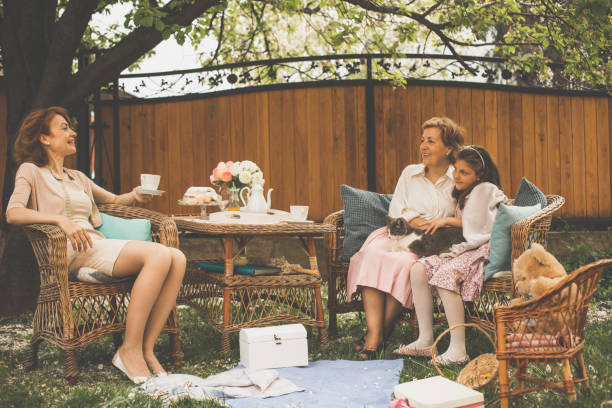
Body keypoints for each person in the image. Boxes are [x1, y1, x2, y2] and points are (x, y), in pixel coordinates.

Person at [5, 107, 186, 383]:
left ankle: (147, 350)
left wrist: (137, 197)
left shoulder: (77, 177)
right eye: (64, 127)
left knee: (178, 257)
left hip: (94, 245)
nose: (73, 132)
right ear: (44, 137)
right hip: (66, 250)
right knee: (160, 255)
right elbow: (13, 212)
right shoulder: (31, 171)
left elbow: (113, 200)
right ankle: (129, 350)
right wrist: (60, 221)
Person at [346, 117, 465, 359]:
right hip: (397, 232)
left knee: (404, 264)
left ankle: (378, 333)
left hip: (429, 244)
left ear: (449, 148)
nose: (423, 146)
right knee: (372, 255)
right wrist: (412, 220)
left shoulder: (459, 179)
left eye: (431, 142)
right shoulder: (410, 173)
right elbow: (395, 212)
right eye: (422, 141)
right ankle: (376, 332)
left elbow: (466, 214)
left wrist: (434, 224)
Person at [393, 145, 506, 365]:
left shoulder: (485, 189)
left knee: (446, 277)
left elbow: (478, 224)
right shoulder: (468, 191)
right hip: (465, 247)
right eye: (456, 170)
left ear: (479, 174)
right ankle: (425, 339)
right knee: (418, 269)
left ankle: (458, 349)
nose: (457, 175)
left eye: (464, 172)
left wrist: (446, 220)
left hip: (481, 248)